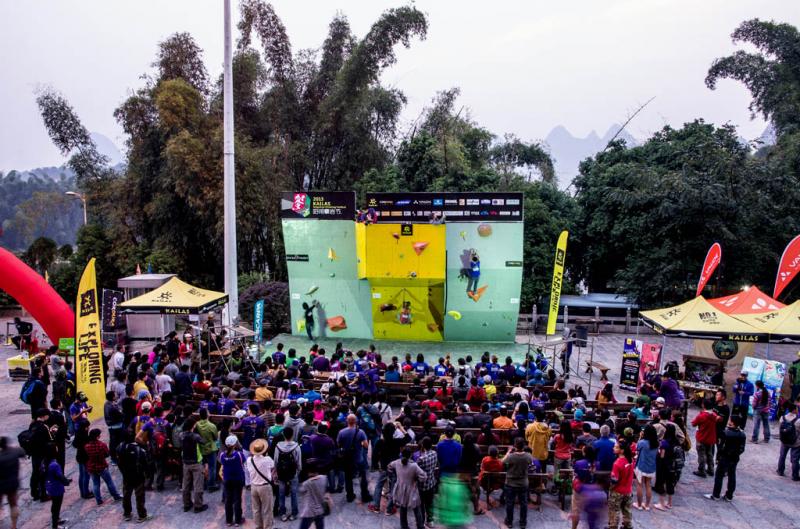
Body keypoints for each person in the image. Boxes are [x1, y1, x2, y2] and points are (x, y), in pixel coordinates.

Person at [705, 416, 746, 501]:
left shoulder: (726, 433)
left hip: (725, 457)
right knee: (732, 475)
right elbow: (742, 449)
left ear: (732, 422)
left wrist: (718, 457)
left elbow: (721, 447)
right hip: (734, 458)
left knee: (719, 476)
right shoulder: (742, 434)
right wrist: (735, 454)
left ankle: (716, 494)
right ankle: (729, 495)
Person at [117, 431, 152, 522]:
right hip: (138, 476)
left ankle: (127, 513)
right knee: (139, 496)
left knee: (126, 495)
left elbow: (119, 463)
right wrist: (148, 474)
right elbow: (145, 464)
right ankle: (142, 515)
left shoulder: (120, 447)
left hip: (126, 476)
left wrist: (123, 472)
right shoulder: (139, 450)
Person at [389, 447, 427, 529]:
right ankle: (420, 526)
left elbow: (389, 466)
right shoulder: (414, 466)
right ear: (411, 455)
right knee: (416, 509)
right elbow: (424, 477)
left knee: (403, 508)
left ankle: (404, 526)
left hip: (400, 489)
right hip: (412, 490)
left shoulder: (397, 462)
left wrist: (395, 476)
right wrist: (417, 479)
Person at [336, 414, 371, 504]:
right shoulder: (361, 432)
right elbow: (366, 445)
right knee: (362, 477)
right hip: (359, 458)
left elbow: (338, 444)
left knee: (348, 478)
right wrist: (360, 444)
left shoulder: (342, 432)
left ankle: (350, 496)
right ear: (356, 421)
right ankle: (365, 495)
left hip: (347, 459)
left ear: (347, 421)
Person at [85, 428, 122, 504]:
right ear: (97, 436)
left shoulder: (87, 446)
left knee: (95, 484)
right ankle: (116, 496)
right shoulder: (102, 445)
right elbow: (107, 454)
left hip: (91, 467)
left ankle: (98, 500)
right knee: (109, 482)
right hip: (101, 466)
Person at [502, 437, 533, 529]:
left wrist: (508, 452)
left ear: (515, 445)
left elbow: (502, 461)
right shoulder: (528, 456)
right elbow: (530, 462)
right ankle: (523, 523)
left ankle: (509, 522)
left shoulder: (511, 456)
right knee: (523, 504)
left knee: (510, 503)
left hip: (511, 483)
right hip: (523, 483)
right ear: (523, 446)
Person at [180, 417, 208, 513]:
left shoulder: (181, 435)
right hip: (196, 462)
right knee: (198, 485)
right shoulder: (195, 436)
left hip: (185, 462)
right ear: (193, 425)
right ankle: (198, 506)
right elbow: (204, 442)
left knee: (186, 485)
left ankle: (186, 504)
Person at [247, 439, 276, 529]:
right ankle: (267, 527)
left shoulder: (249, 460)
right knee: (267, 510)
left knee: (256, 509)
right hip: (264, 487)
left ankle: (258, 526)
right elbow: (273, 466)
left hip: (253, 486)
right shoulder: (267, 459)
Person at [275, 426, 302, 521]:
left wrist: (276, 472)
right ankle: (294, 513)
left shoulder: (278, 446)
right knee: (294, 493)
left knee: (281, 493)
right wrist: (298, 471)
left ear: (283, 435)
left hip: (281, 472)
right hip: (293, 472)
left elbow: (276, 460)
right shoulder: (296, 446)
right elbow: (299, 462)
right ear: (292, 435)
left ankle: (282, 513)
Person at [219, 435, 246, 526]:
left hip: (227, 479)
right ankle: (238, 520)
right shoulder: (239, 454)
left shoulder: (222, 455)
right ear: (235, 444)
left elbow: (222, 463)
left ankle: (229, 521)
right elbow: (243, 463)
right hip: (238, 479)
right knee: (237, 499)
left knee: (228, 499)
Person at [0, 436, 25, 529]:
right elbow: (22, 452)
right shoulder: (14, 451)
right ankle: (14, 526)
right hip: (12, 483)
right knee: (13, 505)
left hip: (1, 484)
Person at [608, 441, 634, 529]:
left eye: (616, 447)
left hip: (617, 491)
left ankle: (613, 526)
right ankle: (627, 526)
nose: (613, 448)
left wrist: (610, 489)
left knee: (614, 511)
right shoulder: (630, 460)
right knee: (627, 510)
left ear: (622, 450)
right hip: (628, 490)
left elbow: (614, 480)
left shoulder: (617, 463)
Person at [653, 423, 678, 510]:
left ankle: (661, 504)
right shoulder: (676, 441)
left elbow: (662, 455)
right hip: (673, 465)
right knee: (670, 483)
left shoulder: (664, 442)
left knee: (661, 483)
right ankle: (669, 503)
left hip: (664, 465)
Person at [44, 445, 70, 529]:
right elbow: (60, 476)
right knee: (56, 506)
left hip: (49, 486)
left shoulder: (45, 462)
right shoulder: (54, 465)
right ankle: (55, 525)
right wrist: (66, 482)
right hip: (56, 487)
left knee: (54, 505)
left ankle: (57, 519)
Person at [691, 398, 719, 477]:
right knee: (709, 454)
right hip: (710, 438)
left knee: (701, 454)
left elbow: (693, 423)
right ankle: (711, 469)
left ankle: (701, 470)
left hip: (702, 437)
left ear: (703, 405)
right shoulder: (714, 415)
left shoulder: (702, 416)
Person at [298, 460, 328, 529]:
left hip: (309, 511)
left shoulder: (307, 483)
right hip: (320, 510)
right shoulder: (324, 478)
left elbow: (301, 491)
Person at [416, 437, 439, 527]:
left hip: (422, 485)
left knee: (421, 504)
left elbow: (417, 472)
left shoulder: (421, 459)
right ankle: (430, 521)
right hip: (431, 482)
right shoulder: (434, 453)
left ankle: (421, 522)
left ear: (423, 445)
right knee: (430, 503)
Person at [634, 425, 658, 511]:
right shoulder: (656, 443)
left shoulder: (642, 442)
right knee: (648, 485)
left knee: (639, 484)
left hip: (642, 466)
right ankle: (647, 505)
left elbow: (637, 448)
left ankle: (639, 505)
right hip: (651, 467)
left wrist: (640, 437)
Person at [196, 408, 220, 492]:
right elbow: (216, 437)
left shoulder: (197, 424)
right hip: (211, 448)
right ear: (207, 415)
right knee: (212, 467)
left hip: (201, 448)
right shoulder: (212, 426)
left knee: (201, 466)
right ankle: (211, 485)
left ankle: (202, 484)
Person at [777, 402, 800, 480]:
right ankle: (795, 476)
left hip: (784, 440)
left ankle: (780, 471)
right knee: (795, 459)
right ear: (794, 410)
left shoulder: (782, 418)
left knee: (782, 456)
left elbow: (780, 429)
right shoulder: (798, 420)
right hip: (795, 442)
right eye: (797, 408)